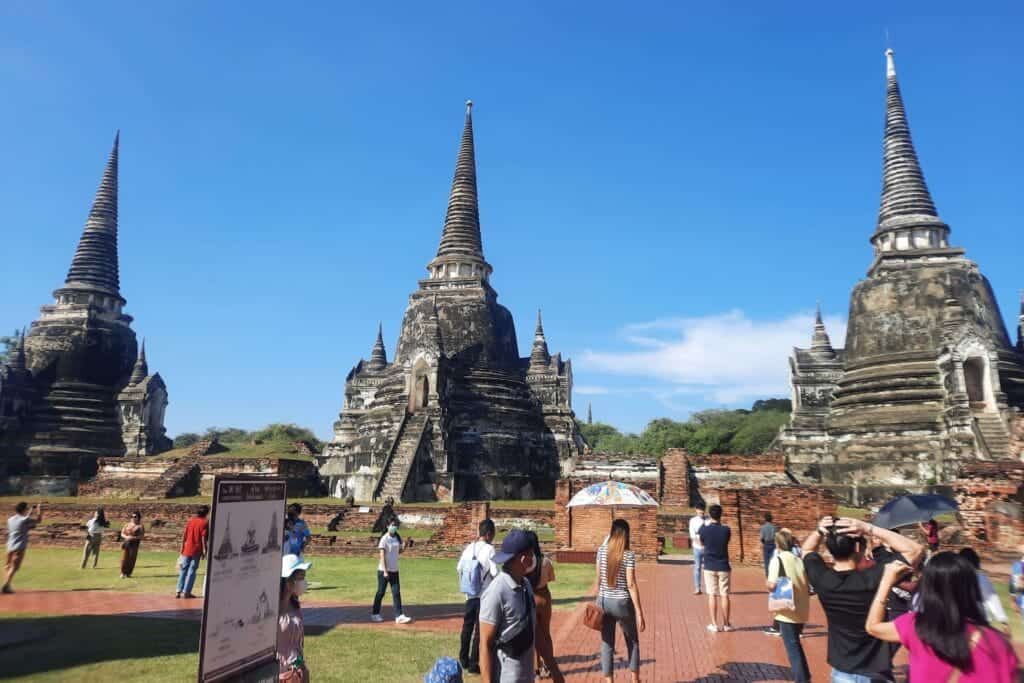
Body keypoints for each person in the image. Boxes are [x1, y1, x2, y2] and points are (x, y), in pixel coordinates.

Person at [801, 515, 924, 683]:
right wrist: (868, 528)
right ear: (858, 547)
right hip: (875, 671)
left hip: (842, 671)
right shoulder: (874, 578)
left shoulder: (822, 579)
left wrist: (819, 531)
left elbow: (807, 551)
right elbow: (915, 550)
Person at [866, 552, 1019, 682]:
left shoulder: (916, 625)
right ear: (971, 588)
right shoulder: (997, 642)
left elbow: (873, 627)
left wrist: (886, 580)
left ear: (927, 587)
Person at [479, 529, 538, 683]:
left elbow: (534, 630)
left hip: (527, 676)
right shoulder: (497, 591)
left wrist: (553, 666)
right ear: (523, 558)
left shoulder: (526, 585)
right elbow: (485, 643)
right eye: (532, 554)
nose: (534, 558)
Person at [596, 519, 645, 683]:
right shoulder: (628, 554)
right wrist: (639, 612)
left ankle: (609, 681)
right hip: (622, 602)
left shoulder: (601, 551)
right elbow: (631, 584)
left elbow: (598, 579)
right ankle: (634, 679)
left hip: (604, 601)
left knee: (607, 643)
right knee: (632, 642)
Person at [766, 530, 810, 683]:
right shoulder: (799, 560)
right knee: (796, 645)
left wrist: (768, 584)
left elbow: (772, 585)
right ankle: (805, 676)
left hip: (786, 610)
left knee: (792, 649)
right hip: (802, 609)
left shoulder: (777, 560)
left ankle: (802, 679)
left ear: (777, 544)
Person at [457, 518, 498, 673]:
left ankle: (463, 659)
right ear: (488, 534)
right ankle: (474, 664)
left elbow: (459, 568)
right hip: (484, 596)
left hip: (469, 594)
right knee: (479, 631)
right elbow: (495, 572)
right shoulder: (490, 550)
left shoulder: (469, 547)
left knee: (466, 627)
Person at [524, 530, 563, 683]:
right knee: (546, 633)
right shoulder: (545, 561)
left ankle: (536, 668)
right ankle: (549, 666)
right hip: (544, 596)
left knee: (534, 634)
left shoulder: (526, 561)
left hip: (531, 597)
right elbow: (551, 578)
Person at [698, 504, 733, 632]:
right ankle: (726, 623)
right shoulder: (726, 530)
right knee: (724, 594)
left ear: (710, 515)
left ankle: (714, 624)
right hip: (723, 565)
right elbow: (726, 542)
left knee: (712, 594)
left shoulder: (705, 530)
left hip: (709, 565)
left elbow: (702, 542)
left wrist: (705, 523)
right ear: (720, 515)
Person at [279, 553, 312, 682]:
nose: (305, 582)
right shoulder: (272, 610)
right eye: (301, 577)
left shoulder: (295, 604)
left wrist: (302, 667)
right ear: (288, 581)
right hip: (280, 673)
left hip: (297, 672)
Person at [372, 516, 412, 624]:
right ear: (387, 526)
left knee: (396, 592)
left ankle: (399, 616)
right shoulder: (384, 539)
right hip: (383, 571)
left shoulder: (397, 538)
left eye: (395, 525)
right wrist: (385, 571)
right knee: (381, 592)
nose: (394, 527)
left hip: (394, 570)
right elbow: (382, 556)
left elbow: (399, 551)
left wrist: (406, 545)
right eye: (392, 525)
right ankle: (375, 614)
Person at [959, 548, 1010, 632]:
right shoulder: (980, 578)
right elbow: (992, 599)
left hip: (962, 625)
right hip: (979, 624)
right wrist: (1003, 621)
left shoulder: (954, 578)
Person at [4, 502, 42, 594]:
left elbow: (23, 521)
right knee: (14, 567)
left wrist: (30, 511)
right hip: (19, 546)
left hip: (9, 545)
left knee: (8, 566)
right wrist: (39, 509)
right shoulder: (25, 520)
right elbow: (39, 520)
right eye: (27, 508)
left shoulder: (10, 519)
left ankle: (7, 584)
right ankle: (6, 585)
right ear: (24, 509)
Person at [176, 505, 209, 599]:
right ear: (206, 513)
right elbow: (203, 537)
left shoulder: (191, 520)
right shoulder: (205, 522)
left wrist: (182, 546)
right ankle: (187, 591)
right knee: (192, 570)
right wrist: (204, 550)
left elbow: (184, 534)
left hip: (187, 548)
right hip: (197, 549)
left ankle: (178, 590)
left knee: (183, 569)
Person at [119, 511, 145, 579]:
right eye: (132, 516)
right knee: (124, 558)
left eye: (135, 517)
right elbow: (122, 533)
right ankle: (122, 572)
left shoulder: (140, 526)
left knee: (132, 558)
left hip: (134, 544)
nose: (133, 518)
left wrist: (134, 538)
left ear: (138, 517)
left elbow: (142, 536)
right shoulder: (127, 524)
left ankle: (128, 573)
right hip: (127, 542)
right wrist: (127, 537)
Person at [689, 502, 707, 595]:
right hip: (697, 547)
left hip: (707, 548)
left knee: (708, 568)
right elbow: (693, 535)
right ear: (696, 510)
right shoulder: (693, 521)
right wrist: (701, 545)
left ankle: (709, 587)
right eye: (700, 511)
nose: (701, 513)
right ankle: (697, 587)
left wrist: (705, 546)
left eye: (703, 511)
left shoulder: (708, 521)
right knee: (698, 567)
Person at [760, 512, 778, 576]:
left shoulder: (763, 527)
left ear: (765, 519)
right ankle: (774, 573)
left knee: (766, 561)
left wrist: (764, 543)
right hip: (773, 544)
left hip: (766, 544)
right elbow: (777, 537)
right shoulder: (774, 527)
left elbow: (762, 538)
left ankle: (768, 575)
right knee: (773, 560)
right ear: (771, 519)